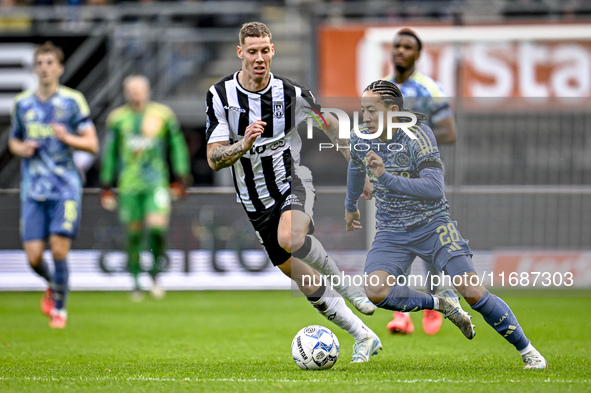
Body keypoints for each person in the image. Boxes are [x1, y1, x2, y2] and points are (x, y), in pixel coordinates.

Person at [205, 21, 381, 363]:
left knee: (290, 236)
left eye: (265, 50)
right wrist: (243, 144)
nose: (259, 58)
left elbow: (333, 130)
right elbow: (214, 158)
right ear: (240, 53)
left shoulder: (293, 94)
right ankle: (364, 335)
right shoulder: (219, 95)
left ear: (273, 51)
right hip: (254, 202)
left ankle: (347, 287)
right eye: (252, 51)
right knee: (301, 278)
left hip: (292, 181)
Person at [345, 79, 547, 369]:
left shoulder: (418, 135)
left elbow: (434, 188)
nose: (365, 118)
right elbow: (355, 165)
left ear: (392, 111)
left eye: (371, 111)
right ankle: (440, 304)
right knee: (376, 291)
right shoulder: (361, 136)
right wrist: (350, 206)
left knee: (472, 291)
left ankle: (528, 351)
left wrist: (386, 178)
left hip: (433, 225)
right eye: (363, 110)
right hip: (392, 231)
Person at [8, 41, 98, 329]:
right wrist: (22, 148)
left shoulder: (72, 101)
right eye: (40, 63)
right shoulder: (22, 103)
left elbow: (92, 143)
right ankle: (52, 282)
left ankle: (60, 309)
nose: (45, 68)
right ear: (35, 69)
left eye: (50, 63)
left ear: (59, 68)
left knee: (59, 250)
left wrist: (67, 138)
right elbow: (13, 140)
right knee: (34, 257)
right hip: (33, 189)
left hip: (64, 187)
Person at [384, 28, 457, 335]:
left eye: (407, 46)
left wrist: (414, 141)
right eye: (397, 45)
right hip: (393, 180)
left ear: (418, 54)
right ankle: (402, 314)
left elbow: (449, 132)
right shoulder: (383, 89)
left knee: (428, 242)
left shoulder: (430, 89)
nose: (400, 50)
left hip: (424, 178)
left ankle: (433, 302)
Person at [99, 75, 190, 300]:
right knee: (133, 235)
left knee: (157, 229)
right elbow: (109, 153)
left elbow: (177, 145)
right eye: (131, 90)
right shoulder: (117, 119)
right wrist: (106, 184)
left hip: (156, 182)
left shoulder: (163, 115)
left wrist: (181, 175)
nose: (135, 94)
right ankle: (136, 282)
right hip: (129, 184)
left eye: (139, 89)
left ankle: (156, 275)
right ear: (126, 92)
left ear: (147, 91)